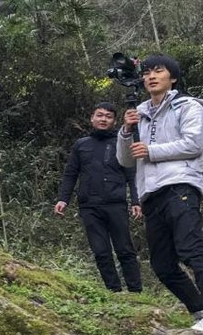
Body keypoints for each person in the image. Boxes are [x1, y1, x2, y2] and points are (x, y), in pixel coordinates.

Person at [117, 54, 203, 335]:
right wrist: (126, 130)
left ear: (172, 78)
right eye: (146, 72)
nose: (151, 76)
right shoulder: (140, 113)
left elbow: (194, 143)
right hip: (151, 193)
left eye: (158, 71)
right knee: (162, 264)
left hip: (180, 185)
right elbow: (126, 160)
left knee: (191, 248)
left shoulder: (188, 107)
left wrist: (152, 151)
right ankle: (202, 313)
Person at [54, 102, 144, 293]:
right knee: (101, 252)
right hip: (89, 206)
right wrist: (63, 199)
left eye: (108, 116)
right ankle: (114, 291)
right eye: (100, 115)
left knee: (124, 250)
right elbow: (71, 173)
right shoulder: (81, 145)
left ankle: (136, 291)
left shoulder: (121, 142)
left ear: (114, 121)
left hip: (116, 204)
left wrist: (136, 201)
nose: (103, 119)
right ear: (92, 118)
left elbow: (131, 174)